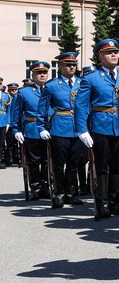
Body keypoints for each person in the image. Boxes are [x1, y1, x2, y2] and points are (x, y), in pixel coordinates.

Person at [75, 39, 119, 220]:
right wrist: (82, 130)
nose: (114, 55)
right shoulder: (91, 78)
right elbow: (81, 105)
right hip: (101, 127)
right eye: (109, 53)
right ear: (100, 56)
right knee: (101, 167)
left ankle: (115, 202)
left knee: (118, 166)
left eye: (116, 52)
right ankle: (102, 203)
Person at [37, 52, 85, 207]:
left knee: (73, 163)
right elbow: (43, 108)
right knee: (59, 163)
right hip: (59, 128)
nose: (71, 67)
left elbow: (87, 105)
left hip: (78, 128)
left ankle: (70, 193)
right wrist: (41, 127)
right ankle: (59, 193)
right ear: (60, 66)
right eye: (68, 64)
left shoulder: (82, 83)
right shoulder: (51, 85)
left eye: (73, 64)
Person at [10, 63, 51, 201]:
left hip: (48, 129)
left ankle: (45, 187)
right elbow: (16, 112)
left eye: (44, 72)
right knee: (34, 161)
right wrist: (16, 130)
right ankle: (35, 188)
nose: (42, 75)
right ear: (32, 75)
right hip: (32, 129)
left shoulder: (51, 90)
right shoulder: (24, 92)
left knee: (47, 160)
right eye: (39, 72)